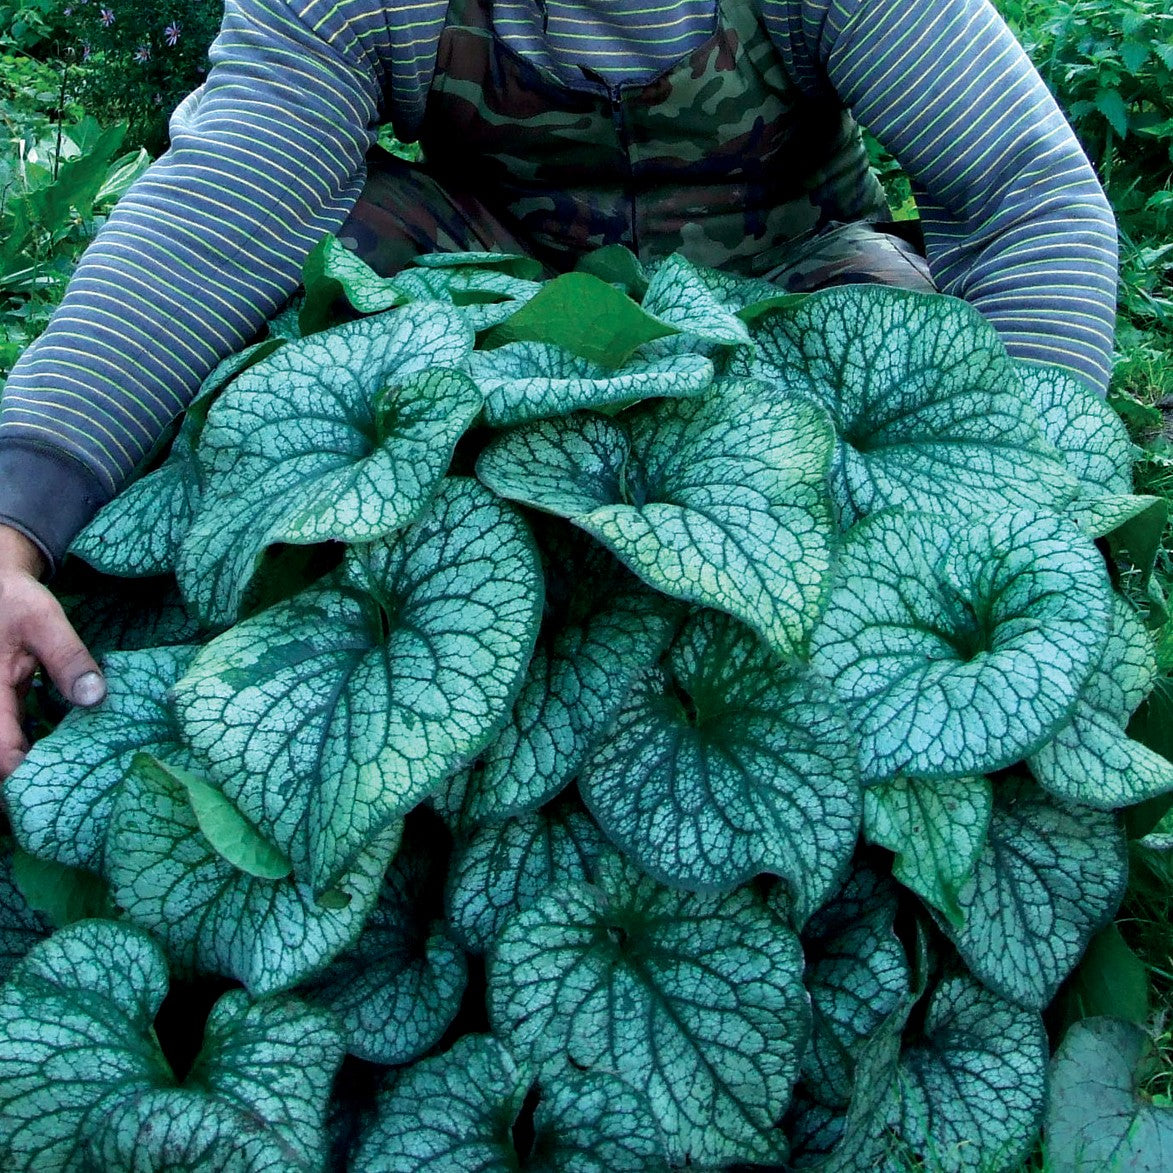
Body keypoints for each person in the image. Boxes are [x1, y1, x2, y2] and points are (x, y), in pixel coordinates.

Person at [0, 0, 1118, 779]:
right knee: (322, 251)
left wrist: (1025, 516)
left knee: (903, 332)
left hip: (785, 297)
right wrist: (13, 523)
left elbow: (1021, 195)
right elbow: (215, 222)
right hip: (504, 319)